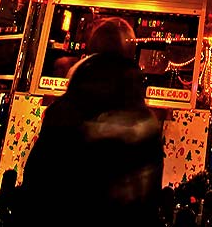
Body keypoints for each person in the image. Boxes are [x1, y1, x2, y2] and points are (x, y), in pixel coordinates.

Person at [21, 16, 163, 225]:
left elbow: (36, 187)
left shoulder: (63, 112)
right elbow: (149, 205)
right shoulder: (147, 125)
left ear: (89, 55)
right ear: (131, 56)